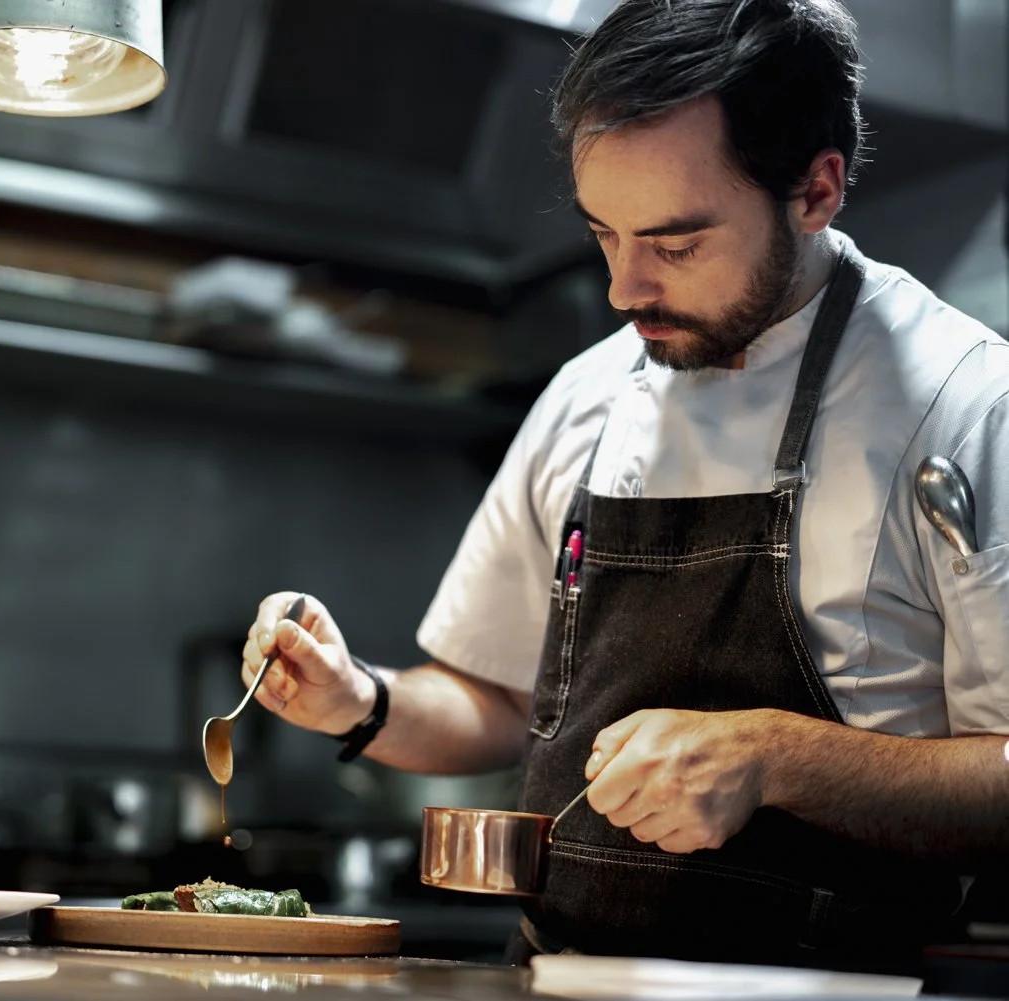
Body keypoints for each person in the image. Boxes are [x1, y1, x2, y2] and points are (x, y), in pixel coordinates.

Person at [239, 0, 1009, 975]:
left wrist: (775, 754)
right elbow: (497, 694)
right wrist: (358, 698)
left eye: (677, 245)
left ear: (817, 191)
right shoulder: (591, 392)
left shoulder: (967, 402)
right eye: (606, 233)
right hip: (558, 977)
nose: (623, 288)